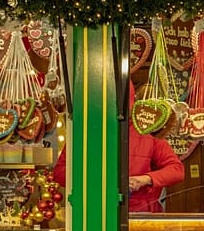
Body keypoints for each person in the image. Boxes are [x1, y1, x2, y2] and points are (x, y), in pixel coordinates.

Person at [52, 83, 185, 212]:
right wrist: (93, 179)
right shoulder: (85, 131)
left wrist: (144, 179)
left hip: (138, 214)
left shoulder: (147, 129)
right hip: (95, 211)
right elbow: (60, 172)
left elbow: (176, 170)